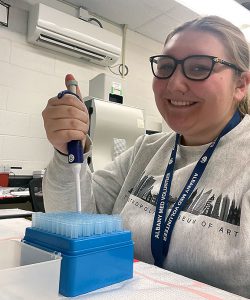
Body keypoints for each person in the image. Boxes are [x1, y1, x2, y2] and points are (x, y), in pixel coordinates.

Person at [42, 15, 250, 298]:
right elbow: (76, 217)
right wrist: (65, 152)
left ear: (241, 85)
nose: (174, 84)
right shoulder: (146, 150)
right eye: (165, 67)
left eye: (199, 67)